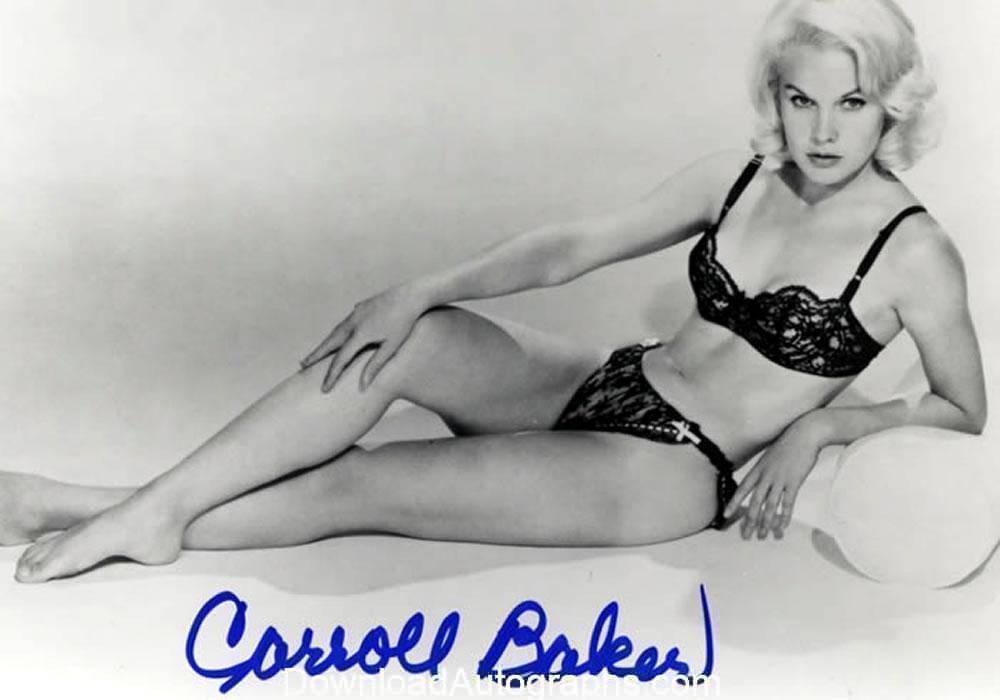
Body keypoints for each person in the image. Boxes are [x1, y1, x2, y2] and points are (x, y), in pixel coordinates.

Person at [2, 0, 986, 583]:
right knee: (415, 338)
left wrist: (821, 426)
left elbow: (962, 406)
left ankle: (106, 510)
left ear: (890, 106)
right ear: (775, 96)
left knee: (370, 481)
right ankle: (147, 509)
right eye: (801, 98)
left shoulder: (915, 252)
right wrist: (416, 289)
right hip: (614, 377)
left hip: (669, 469)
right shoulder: (737, 176)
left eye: (851, 102)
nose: (823, 130)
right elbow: (572, 247)